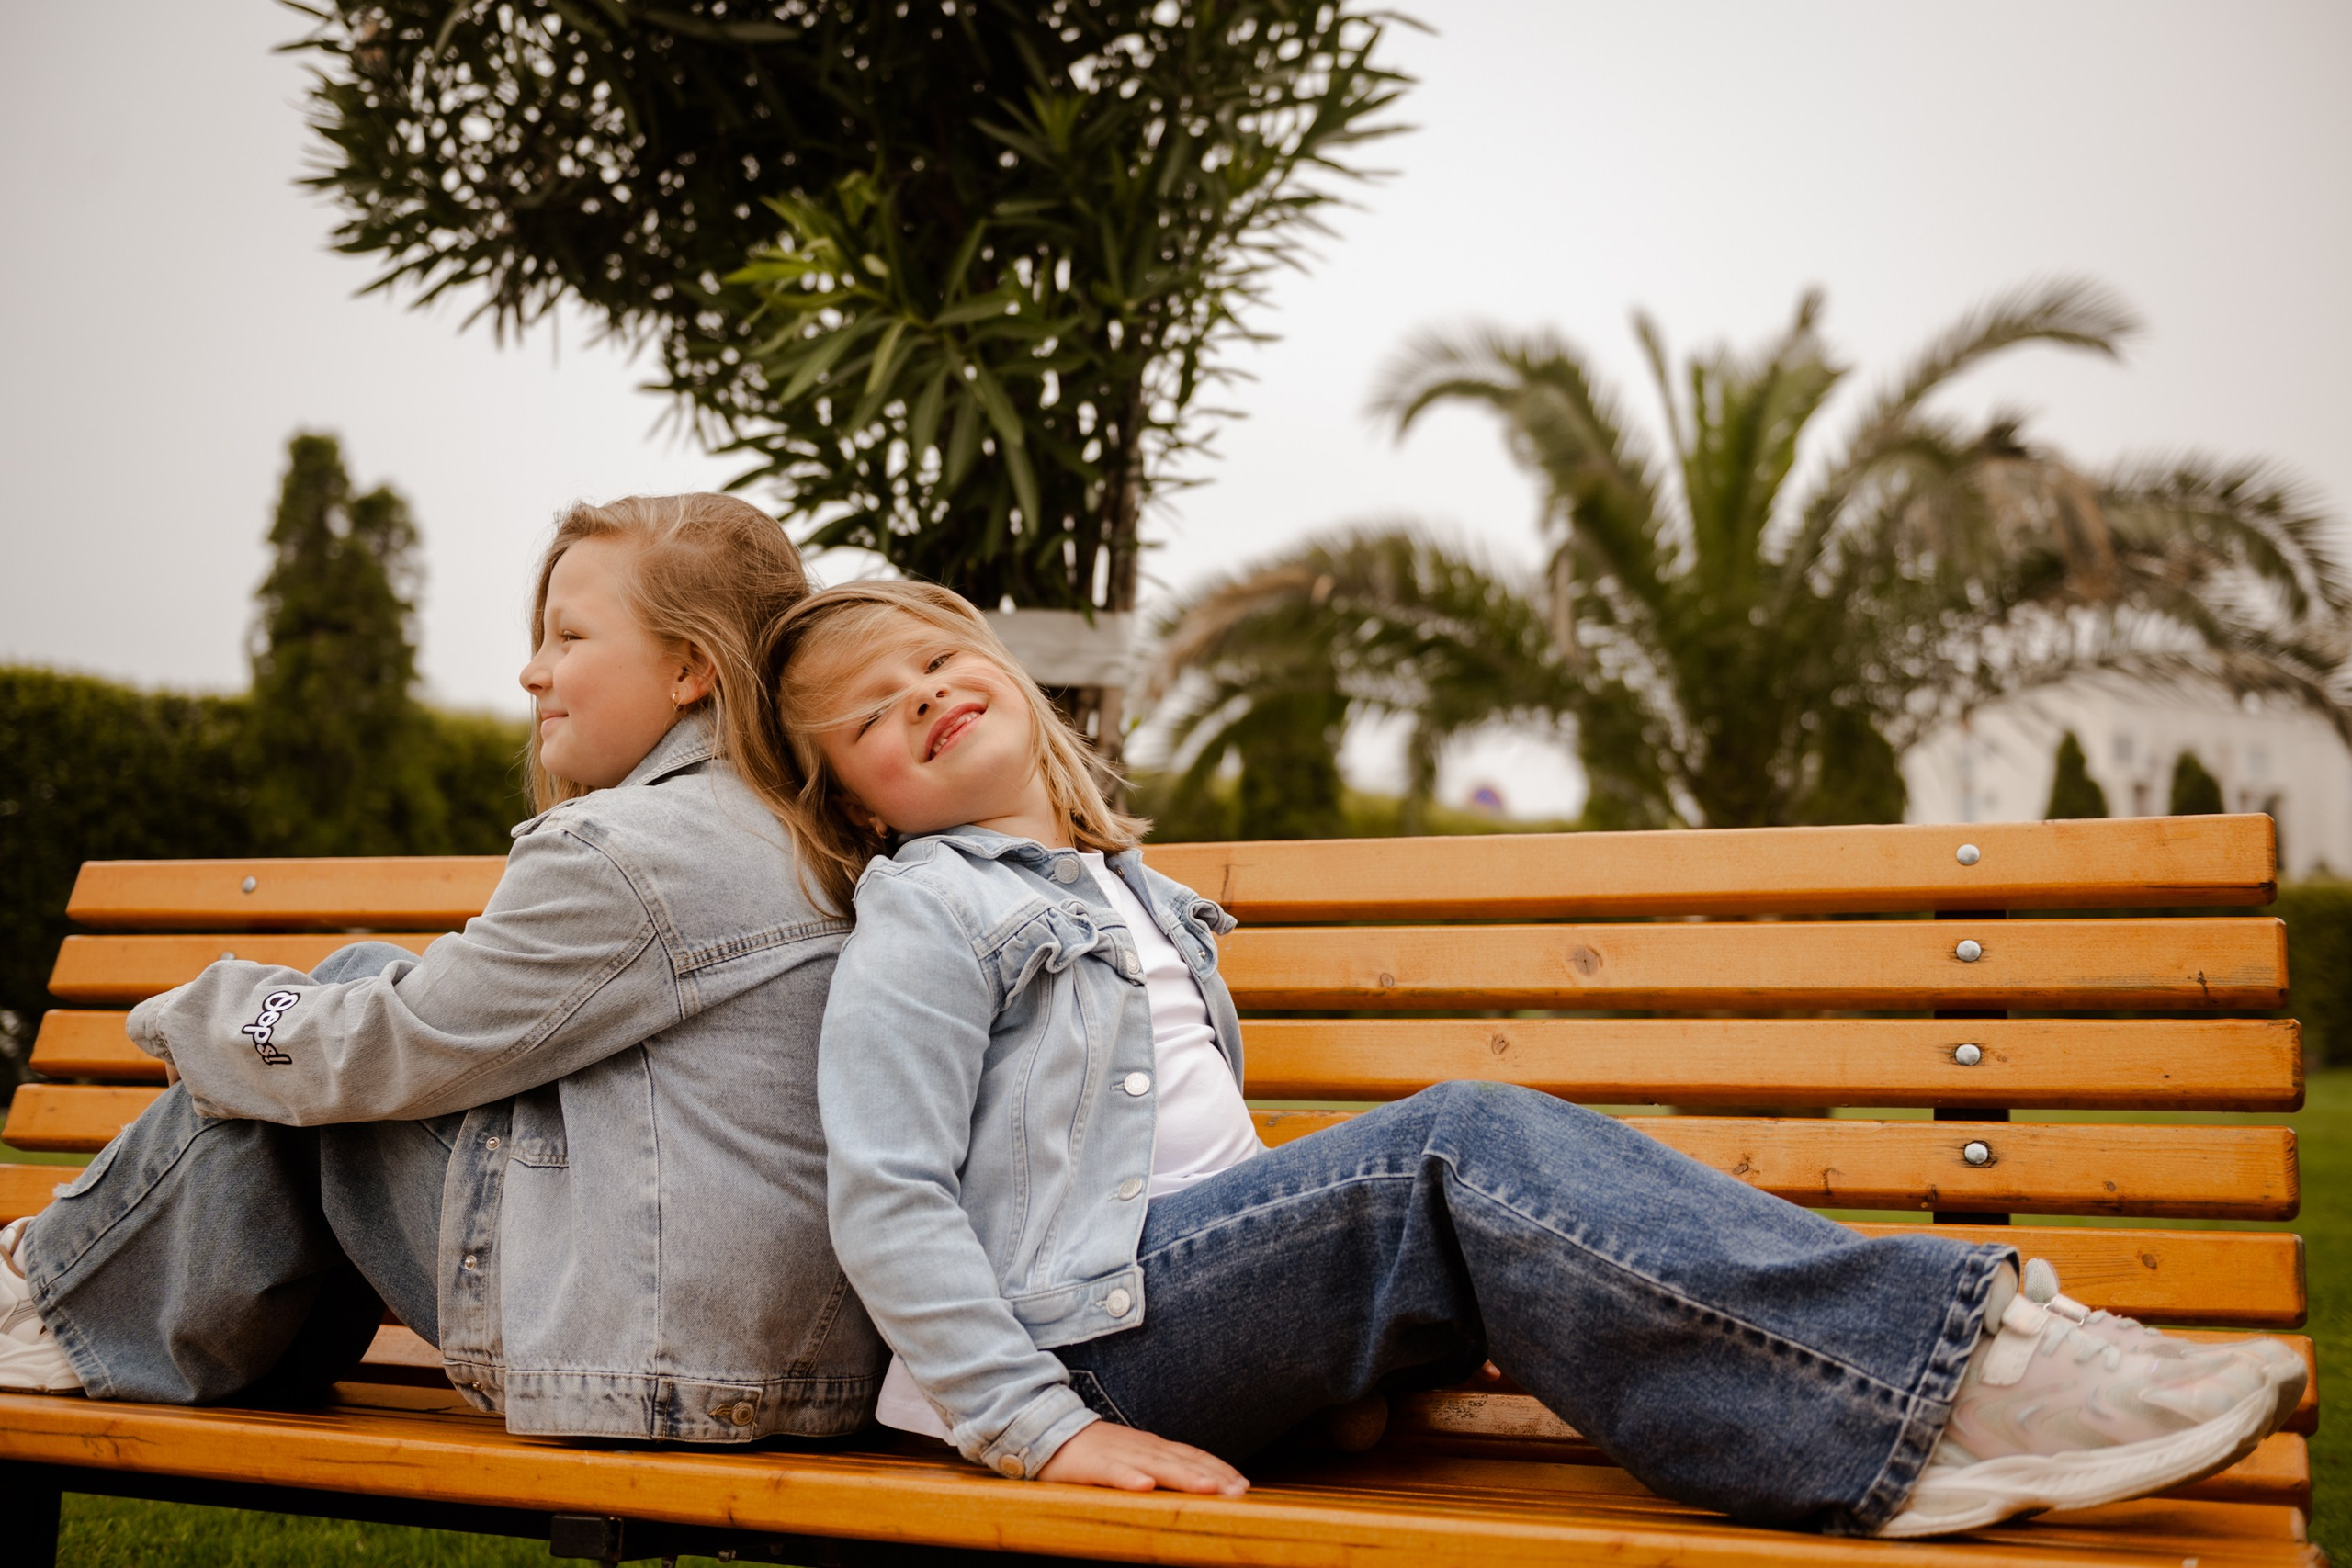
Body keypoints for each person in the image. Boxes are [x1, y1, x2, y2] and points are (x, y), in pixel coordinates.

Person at [746, 578, 2306, 1539]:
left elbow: (1199, 1180)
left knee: (1486, 1191)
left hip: (1182, 1317)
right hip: (1082, 1354)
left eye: (935, 662)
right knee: (1454, 1141)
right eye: (872, 719)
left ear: (1003, 670)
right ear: (863, 805)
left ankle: (1901, 1444)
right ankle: (1972, 1371)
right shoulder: (924, 907)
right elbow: (886, 1198)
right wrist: (1048, 1427)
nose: (924, 701)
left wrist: (1369, 1328)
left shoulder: (1136, 894)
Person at [0, 494, 885, 1442]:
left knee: (326, 1032)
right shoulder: (808, 827)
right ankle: (89, 1295)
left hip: (662, 1355)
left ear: (689, 667)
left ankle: (41, 1289)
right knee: (336, 1009)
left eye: (569, 637)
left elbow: (395, 1047)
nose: (532, 671)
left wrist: (197, 1018)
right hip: (804, 1359)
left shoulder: (629, 849)